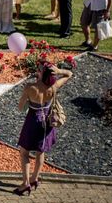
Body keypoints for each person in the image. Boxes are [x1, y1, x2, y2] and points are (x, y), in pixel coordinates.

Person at [15, 63, 73, 195]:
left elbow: (20, 108)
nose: (37, 71)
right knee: (40, 151)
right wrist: (59, 71)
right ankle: (34, 178)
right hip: (47, 121)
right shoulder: (54, 86)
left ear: (41, 73)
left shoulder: (30, 87)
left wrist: (28, 99)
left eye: (39, 70)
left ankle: (25, 183)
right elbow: (69, 74)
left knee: (24, 152)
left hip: (33, 121)